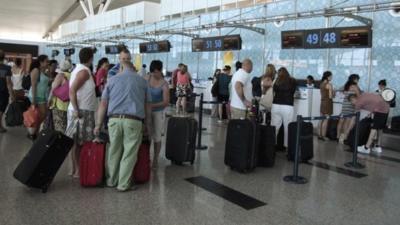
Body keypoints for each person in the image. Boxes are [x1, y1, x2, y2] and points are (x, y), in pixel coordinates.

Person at [94, 61, 152, 192]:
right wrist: (148, 125)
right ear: (134, 69)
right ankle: (123, 184)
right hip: (133, 121)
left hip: (114, 120)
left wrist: (98, 124)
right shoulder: (142, 81)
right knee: (129, 153)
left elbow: (103, 104)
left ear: (120, 68)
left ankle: (111, 181)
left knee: (114, 151)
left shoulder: (112, 80)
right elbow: (148, 106)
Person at [68, 48, 97, 178]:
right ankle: (78, 170)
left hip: (81, 110)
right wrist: (76, 110)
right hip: (81, 111)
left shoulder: (79, 69)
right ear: (91, 58)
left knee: (75, 142)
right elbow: (72, 90)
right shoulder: (84, 72)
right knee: (80, 143)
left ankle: (75, 169)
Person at [146, 60, 169, 168]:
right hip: (147, 111)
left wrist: (152, 105)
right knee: (147, 135)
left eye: (155, 72)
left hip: (158, 112)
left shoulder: (164, 84)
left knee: (157, 136)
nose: (154, 74)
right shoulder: (147, 78)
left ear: (160, 71)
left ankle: (155, 158)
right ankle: (146, 157)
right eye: (152, 72)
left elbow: (165, 102)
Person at [271, 67, 297, 149]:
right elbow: (295, 93)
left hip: (276, 105)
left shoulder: (276, 81)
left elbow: (273, 91)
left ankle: (271, 145)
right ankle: (287, 147)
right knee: (287, 127)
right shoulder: (293, 81)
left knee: (274, 127)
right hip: (288, 106)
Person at [28, 55, 50, 139]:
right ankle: (34, 132)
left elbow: (45, 83)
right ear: (41, 62)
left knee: (42, 115)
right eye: (46, 61)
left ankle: (34, 132)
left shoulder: (44, 71)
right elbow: (33, 85)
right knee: (42, 114)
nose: (48, 63)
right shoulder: (36, 70)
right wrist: (34, 100)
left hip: (42, 95)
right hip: (36, 96)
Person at [48, 60, 72, 133]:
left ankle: (60, 142)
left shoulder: (60, 75)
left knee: (59, 127)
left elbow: (53, 89)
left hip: (58, 105)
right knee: (66, 125)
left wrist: (49, 100)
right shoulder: (72, 75)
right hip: (68, 104)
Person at [337, 74, 361, 144]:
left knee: (341, 121)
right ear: (354, 79)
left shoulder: (346, 85)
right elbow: (359, 96)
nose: (358, 81)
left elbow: (339, 90)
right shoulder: (355, 87)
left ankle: (337, 136)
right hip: (351, 106)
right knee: (347, 122)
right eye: (357, 79)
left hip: (344, 105)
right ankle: (344, 138)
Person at [0, 50, 14, 133]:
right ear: (4, 57)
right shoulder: (7, 68)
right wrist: (12, 95)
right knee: (1, 109)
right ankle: (0, 127)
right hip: (2, 91)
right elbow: (8, 83)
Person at [318, 71, 334, 141]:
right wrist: (333, 92)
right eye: (331, 76)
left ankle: (319, 135)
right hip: (328, 103)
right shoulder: (328, 85)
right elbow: (330, 96)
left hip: (322, 102)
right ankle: (324, 136)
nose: (331, 77)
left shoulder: (321, 84)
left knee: (321, 119)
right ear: (328, 77)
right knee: (326, 120)